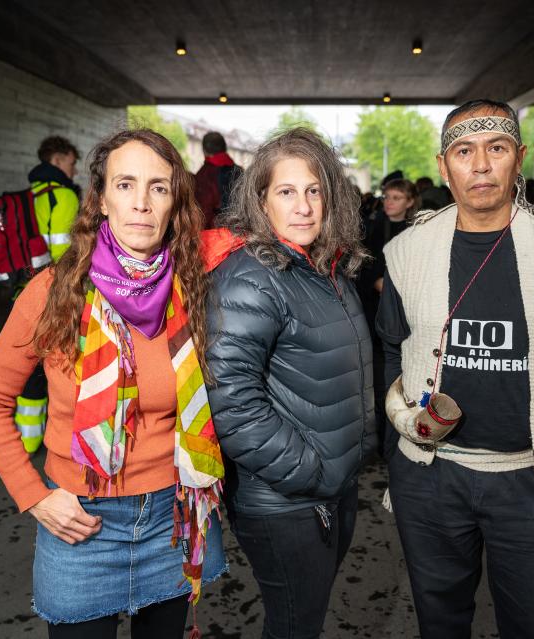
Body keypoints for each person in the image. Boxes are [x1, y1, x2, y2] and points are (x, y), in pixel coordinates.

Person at [377, 99, 534, 639]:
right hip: (432, 476)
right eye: (464, 151)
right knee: (439, 623)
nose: (481, 165)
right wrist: (398, 452)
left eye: (497, 148)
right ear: (444, 166)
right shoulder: (408, 251)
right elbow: (393, 349)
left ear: (520, 158)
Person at [0, 129, 227, 638]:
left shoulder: (193, 287)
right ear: (101, 199)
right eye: (125, 184)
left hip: (172, 519)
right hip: (81, 526)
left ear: (175, 201)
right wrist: (34, 495)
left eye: (158, 187)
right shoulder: (54, 290)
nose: (141, 203)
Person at [203, 127, 375, 639]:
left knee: (305, 620)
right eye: (285, 191)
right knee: (296, 626)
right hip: (288, 500)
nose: (302, 206)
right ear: (261, 201)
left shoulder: (324, 268)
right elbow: (233, 401)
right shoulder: (250, 276)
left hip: (330, 487)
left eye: (313, 190)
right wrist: (312, 472)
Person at [17, 136, 83, 454]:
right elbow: (66, 254)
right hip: (52, 294)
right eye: (71, 163)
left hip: (20, 291)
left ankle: (27, 439)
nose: (73, 170)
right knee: (58, 364)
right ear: (57, 161)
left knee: (26, 364)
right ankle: (58, 439)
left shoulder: (26, 195)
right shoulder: (64, 195)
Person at [357, 178, 419, 456]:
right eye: (387, 197)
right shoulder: (371, 228)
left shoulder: (418, 230)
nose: (389, 202)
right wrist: (377, 282)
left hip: (410, 311)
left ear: (409, 202)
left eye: (396, 197)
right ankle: (382, 441)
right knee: (382, 378)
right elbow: (361, 264)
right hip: (377, 310)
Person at [194, 131, 243, 229]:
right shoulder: (240, 171)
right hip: (240, 233)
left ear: (205, 151)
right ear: (224, 148)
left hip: (214, 235)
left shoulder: (203, 175)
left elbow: (203, 213)